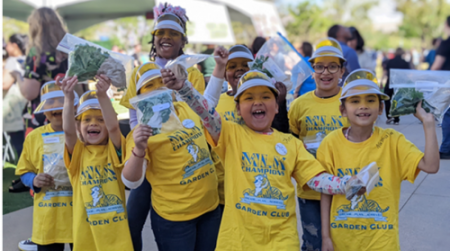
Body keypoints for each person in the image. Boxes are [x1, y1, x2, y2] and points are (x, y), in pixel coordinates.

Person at [161, 66, 366, 249]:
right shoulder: (230, 134)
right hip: (238, 241)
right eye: (249, 98)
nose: (257, 102)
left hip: (282, 241)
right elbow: (206, 113)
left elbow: (315, 178)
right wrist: (184, 88)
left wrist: (346, 185)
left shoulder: (291, 144)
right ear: (238, 109)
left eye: (265, 97)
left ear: (276, 107)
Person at [320, 69, 439, 251]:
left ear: (381, 108)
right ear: (342, 110)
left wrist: (428, 123)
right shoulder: (330, 143)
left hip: (382, 243)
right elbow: (325, 192)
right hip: (342, 241)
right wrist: (326, 236)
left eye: (370, 100)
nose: (363, 106)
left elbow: (431, 166)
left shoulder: (393, 140)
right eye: (355, 101)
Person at [118, 3, 206, 250]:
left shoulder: (193, 73)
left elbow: (201, 112)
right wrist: (142, 143)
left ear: (183, 40)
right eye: (160, 33)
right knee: (131, 221)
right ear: (153, 39)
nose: (166, 37)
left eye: (173, 33)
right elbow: (134, 114)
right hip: (148, 153)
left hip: (180, 158)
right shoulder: (140, 71)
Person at [122, 52, 226, 250]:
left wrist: (218, 69)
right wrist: (140, 149)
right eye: (149, 86)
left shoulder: (186, 108)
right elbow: (131, 181)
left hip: (210, 209)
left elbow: (212, 114)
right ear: (138, 98)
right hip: (175, 220)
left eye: (161, 82)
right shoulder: (140, 132)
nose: (156, 89)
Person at [203, 44, 289, 212]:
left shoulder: (264, 103)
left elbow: (281, 137)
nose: (240, 70)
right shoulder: (216, 103)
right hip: (222, 193)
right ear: (225, 73)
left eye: (245, 65)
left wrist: (280, 103)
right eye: (233, 66)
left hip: (256, 192)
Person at [288, 37, 350, 251]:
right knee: (314, 243)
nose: (326, 72)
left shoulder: (351, 102)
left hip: (344, 186)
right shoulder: (298, 105)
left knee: (343, 242)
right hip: (310, 189)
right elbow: (292, 141)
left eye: (333, 66)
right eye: (320, 67)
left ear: (342, 71)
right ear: (312, 70)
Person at [59, 75, 133, 251]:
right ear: (79, 127)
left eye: (100, 120)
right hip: (86, 239)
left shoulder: (115, 150)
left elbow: (114, 127)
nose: (94, 123)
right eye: (87, 119)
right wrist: (68, 98)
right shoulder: (77, 154)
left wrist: (102, 96)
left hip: (116, 239)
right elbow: (68, 132)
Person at [15, 81, 78, 251]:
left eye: (62, 102)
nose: (57, 108)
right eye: (51, 103)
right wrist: (34, 180)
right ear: (44, 110)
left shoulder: (83, 133)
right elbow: (24, 171)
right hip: (48, 219)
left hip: (80, 215)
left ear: (73, 106)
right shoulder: (34, 137)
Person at [19, 7, 84, 131]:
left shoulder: (37, 53)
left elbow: (29, 93)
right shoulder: (72, 50)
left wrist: (17, 77)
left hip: (46, 116)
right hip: (72, 112)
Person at [3, 34, 28, 160]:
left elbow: (4, 84)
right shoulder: (29, 59)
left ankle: (24, 171)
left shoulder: (12, 61)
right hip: (27, 105)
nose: (5, 47)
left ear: (14, 45)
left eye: (7, 44)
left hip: (14, 108)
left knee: (19, 144)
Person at [431, 16, 450, 159]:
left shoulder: (446, 43)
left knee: (447, 115)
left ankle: (446, 149)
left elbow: (436, 66)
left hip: (448, 83)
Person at [384, 48, 411, 125]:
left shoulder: (390, 61)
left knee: (387, 98)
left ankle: (389, 116)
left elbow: (386, 71)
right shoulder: (405, 62)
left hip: (390, 81)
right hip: (399, 83)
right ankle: (396, 118)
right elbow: (408, 73)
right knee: (397, 100)